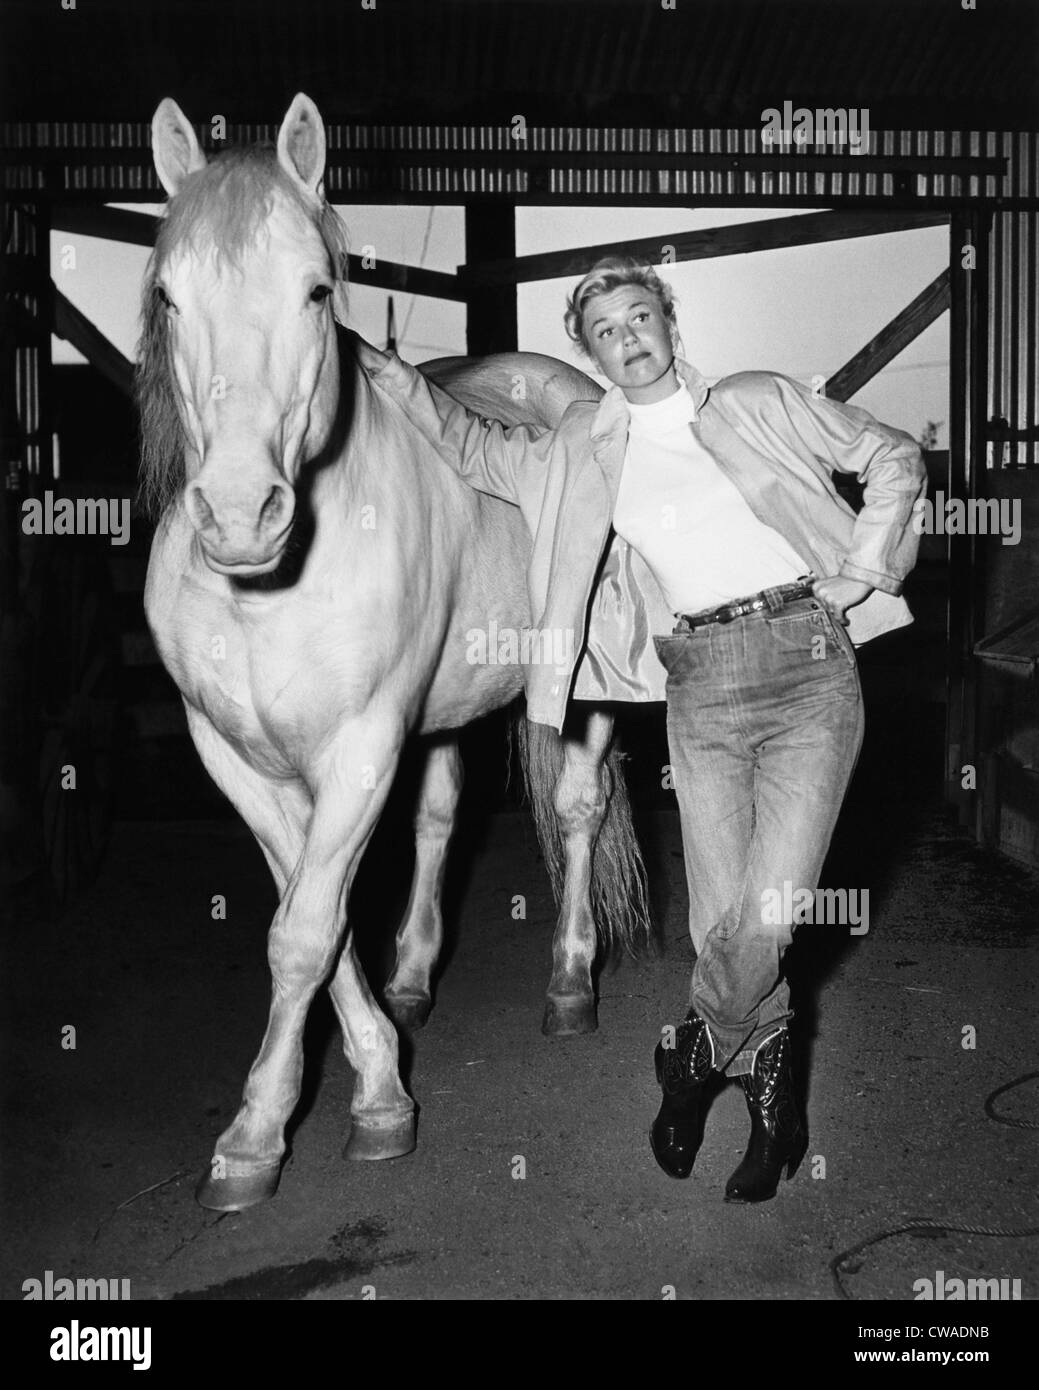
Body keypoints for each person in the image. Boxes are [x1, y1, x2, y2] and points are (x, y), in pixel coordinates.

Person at [352, 256, 926, 1202]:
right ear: (589, 351)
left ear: (669, 321)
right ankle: (772, 1100)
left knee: (772, 913)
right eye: (605, 330)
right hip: (698, 683)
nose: (628, 337)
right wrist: (391, 377)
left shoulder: (754, 400)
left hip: (810, 669)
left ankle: (696, 1057)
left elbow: (893, 455)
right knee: (717, 925)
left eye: (639, 316)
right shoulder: (580, 445)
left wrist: (864, 567)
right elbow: (470, 445)